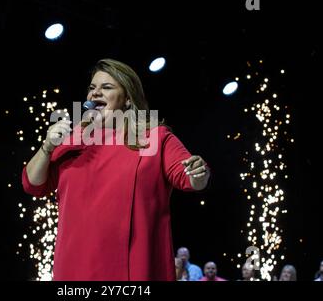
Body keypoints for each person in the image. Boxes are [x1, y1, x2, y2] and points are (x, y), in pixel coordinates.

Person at [22, 59, 210, 281]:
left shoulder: (155, 138)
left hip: (133, 267)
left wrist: (199, 172)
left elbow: (189, 177)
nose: (95, 94)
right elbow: (33, 184)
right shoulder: (73, 139)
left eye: (106, 87)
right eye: (92, 88)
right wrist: (47, 147)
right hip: (74, 266)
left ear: (128, 98)